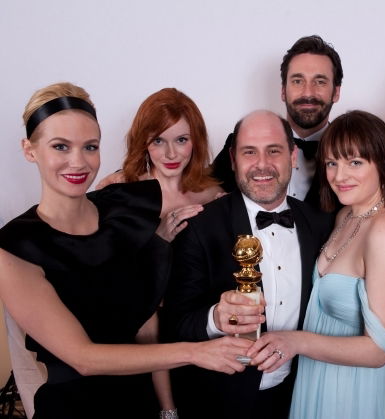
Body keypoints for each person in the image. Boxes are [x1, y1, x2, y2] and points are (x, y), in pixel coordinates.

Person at [0, 82, 252, 419]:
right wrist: (197, 353)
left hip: (141, 397)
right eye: (60, 146)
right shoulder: (15, 246)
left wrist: (166, 406)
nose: (78, 162)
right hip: (76, 407)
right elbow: (84, 358)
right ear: (29, 150)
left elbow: (145, 318)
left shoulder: (124, 209)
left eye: (90, 147)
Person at [211, 35, 385, 226]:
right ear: (283, 90)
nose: (308, 92)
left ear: (336, 92)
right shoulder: (245, 146)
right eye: (297, 81)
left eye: (320, 81)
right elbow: (202, 186)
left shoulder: (364, 149)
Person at [245, 110, 385, 419]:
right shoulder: (344, 216)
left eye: (355, 162)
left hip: (353, 393)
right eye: (332, 163)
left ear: (382, 162)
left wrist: (295, 342)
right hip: (315, 379)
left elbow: (378, 352)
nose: (339, 176)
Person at [163, 110, 332, 419]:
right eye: (249, 152)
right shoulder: (200, 227)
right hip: (220, 404)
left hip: (302, 399)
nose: (262, 165)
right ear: (233, 159)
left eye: (274, 150)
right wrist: (215, 318)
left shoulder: (320, 224)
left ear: (293, 156)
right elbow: (173, 324)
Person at [96, 87, 223, 241]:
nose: (171, 154)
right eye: (158, 141)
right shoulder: (123, 195)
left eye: (181, 140)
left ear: (196, 141)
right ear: (143, 142)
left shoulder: (213, 195)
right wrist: (158, 239)